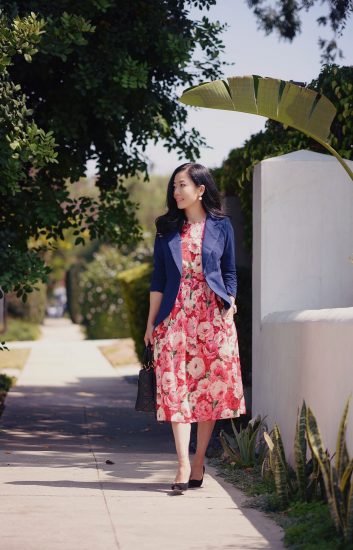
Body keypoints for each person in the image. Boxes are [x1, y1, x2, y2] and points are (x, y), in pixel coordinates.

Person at [144, 162, 246, 495]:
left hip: (211, 316)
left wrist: (229, 301)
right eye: (173, 186)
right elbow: (158, 280)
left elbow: (229, 272)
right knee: (175, 388)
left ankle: (199, 458)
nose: (176, 192)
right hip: (174, 318)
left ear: (200, 190)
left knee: (209, 390)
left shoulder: (222, 226)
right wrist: (150, 324)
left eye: (182, 185)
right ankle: (182, 464)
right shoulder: (166, 230)